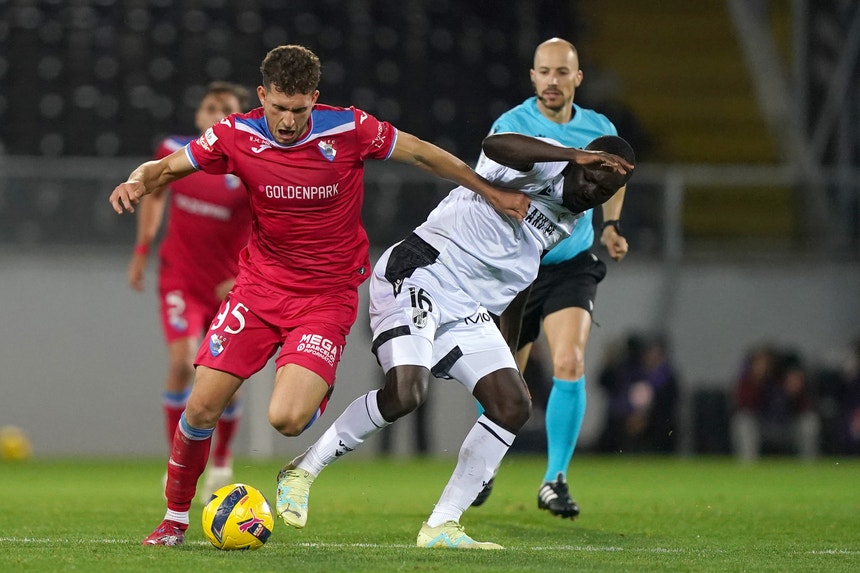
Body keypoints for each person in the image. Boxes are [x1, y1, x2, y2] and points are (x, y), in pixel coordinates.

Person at [109, 44, 533, 547]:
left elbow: (423, 153)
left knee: (287, 420)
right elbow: (164, 169)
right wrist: (136, 181)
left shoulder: (349, 129)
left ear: (315, 98)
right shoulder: (235, 135)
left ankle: (310, 382)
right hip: (258, 289)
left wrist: (491, 190)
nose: (287, 122)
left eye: (298, 110)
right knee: (200, 408)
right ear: (262, 96)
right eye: (277, 109)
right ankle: (174, 521)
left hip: (326, 296)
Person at [275, 133, 634, 549]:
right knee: (407, 393)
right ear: (578, 163)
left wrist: (510, 353)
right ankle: (303, 469)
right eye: (590, 179)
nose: (591, 192)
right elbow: (496, 144)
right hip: (422, 270)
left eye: (604, 192)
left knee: (513, 404)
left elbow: (519, 281)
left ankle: (442, 525)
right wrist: (573, 153)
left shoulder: (568, 222)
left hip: (468, 306)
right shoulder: (542, 164)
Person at [471, 37, 630, 519]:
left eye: (562, 72)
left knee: (570, 360)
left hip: (571, 265)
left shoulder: (597, 127)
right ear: (533, 77)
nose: (553, 81)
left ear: (577, 78)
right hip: (520, 267)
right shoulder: (513, 125)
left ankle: (554, 479)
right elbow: (490, 187)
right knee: (506, 380)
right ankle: (483, 463)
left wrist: (610, 226)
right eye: (544, 71)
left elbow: (614, 180)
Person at [127, 81, 252, 502]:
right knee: (182, 363)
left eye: (226, 108)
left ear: (238, 116)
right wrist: (142, 250)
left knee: (221, 380)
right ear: (199, 116)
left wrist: (245, 274)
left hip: (226, 286)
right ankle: (177, 463)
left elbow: (270, 222)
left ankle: (221, 460)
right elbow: (154, 193)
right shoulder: (175, 151)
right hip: (180, 278)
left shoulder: (249, 164)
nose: (217, 114)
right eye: (210, 107)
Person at [730, 346, 820, 462]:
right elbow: (743, 405)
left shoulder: (784, 379)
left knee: (809, 421)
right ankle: (748, 465)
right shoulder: (748, 381)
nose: (762, 367)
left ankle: (809, 466)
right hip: (762, 426)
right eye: (758, 363)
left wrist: (795, 393)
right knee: (742, 421)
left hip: (787, 426)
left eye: (765, 363)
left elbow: (806, 407)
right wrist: (757, 382)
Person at [597, 333, 679, 454]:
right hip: (622, 422)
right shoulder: (629, 371)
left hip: (655, 425)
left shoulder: (664, 375)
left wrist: (644, 417)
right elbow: (604, 382)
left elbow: (667, 402)